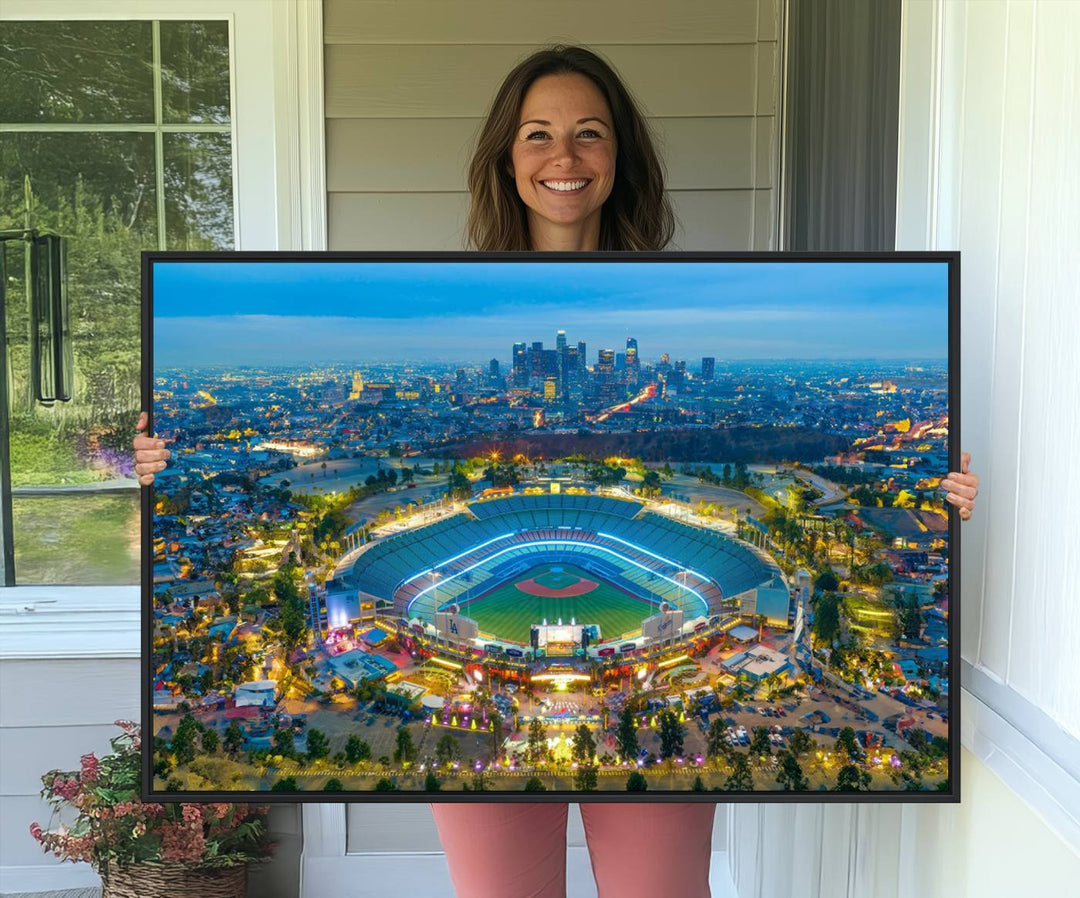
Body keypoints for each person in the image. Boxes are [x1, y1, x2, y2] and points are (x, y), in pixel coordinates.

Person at [134, 45, 980, 898]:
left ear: (620, 158)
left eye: (589, 134)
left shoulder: (662, 312)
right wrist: (161, 466)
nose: (564, 157)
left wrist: (935, 500)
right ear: (507, 157)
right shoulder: (471, 323)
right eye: (538, 134)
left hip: (633, 718)